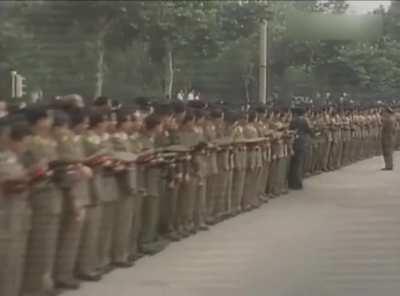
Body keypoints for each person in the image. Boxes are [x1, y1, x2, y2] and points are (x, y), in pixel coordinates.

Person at [288, 107, 312, 190]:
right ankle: (297, 183)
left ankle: (292, 182)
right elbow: (309, 130)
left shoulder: (293, 120)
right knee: (299, 163)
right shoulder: (305, 120)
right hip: (302, 142)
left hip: (294, 142)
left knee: (294, 164)